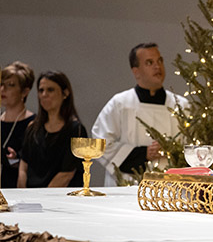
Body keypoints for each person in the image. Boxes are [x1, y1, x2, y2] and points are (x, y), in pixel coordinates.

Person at [92, 43, 187, 186]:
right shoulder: (120, 104)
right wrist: (143, 154)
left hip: (171, 187)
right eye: (150, 63)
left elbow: (194, 146)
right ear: (136, 71)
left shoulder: (182, 105)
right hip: (127, 185)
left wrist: (171, 149)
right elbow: (100, 143)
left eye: (159, 61)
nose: (157, 67)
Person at [18, 71, 87, 188]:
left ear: (65, 94)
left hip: (60, 199)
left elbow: (67, 174)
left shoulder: (76, 130)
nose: (44, 94)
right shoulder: (32, 128)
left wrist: (43, 199)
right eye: (41, 90)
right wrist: (23, 195)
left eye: (50, 90)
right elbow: (23, 167)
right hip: (31, 199)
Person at [1, 62, 36, 188]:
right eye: (1, 84)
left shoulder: (34, 124)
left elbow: (39, 164)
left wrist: (17, 160)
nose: (2, 90)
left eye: (10, 85)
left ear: (24, 92)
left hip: (18, 190)